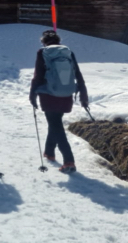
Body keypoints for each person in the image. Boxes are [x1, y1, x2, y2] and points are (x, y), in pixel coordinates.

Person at [30, 29, 89, 174]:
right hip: (66, 94)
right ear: (58, 40)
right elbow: (78, 74)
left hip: (48, 95)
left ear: (44, 42)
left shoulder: (42, 53)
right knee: (55, 123)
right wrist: (83, 95)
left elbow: (38, 76)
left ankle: (69, 161)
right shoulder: (68, 52)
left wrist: (32, 94)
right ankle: (49, 152)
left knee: (56, 125)